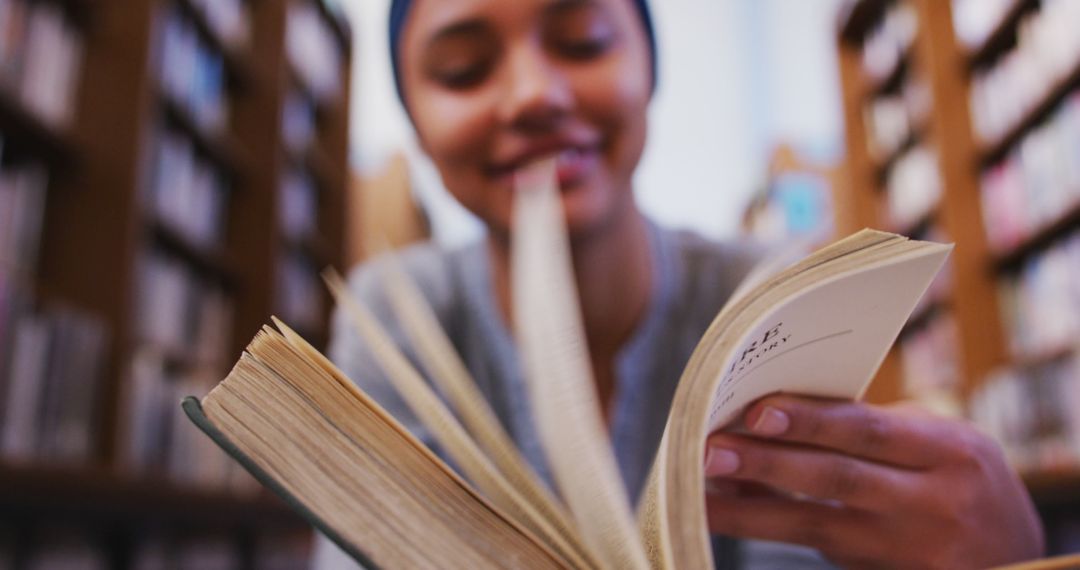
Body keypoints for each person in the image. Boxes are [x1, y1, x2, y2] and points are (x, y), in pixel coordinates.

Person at [314, 0, 1046, 568]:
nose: (534, 95)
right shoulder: (398, 315)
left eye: (583, 41)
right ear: (415, 120)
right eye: (464, 70)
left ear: (649, 69)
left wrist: (1008, 557)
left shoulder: (765, 292)